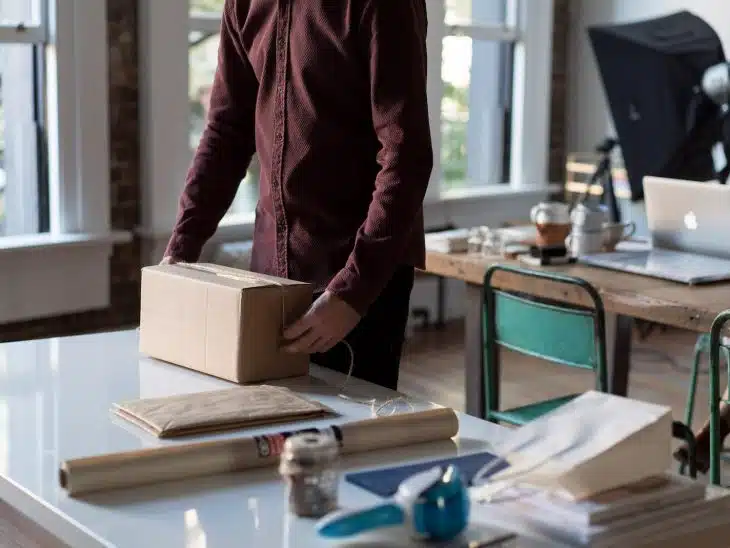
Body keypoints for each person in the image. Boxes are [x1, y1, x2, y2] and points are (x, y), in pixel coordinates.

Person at [161, 0, 433, 391]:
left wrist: (351, 294)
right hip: (268, 278)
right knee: (271, 438)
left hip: (357, 276)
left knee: (349, 443)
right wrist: (179, 252)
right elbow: (226, 133)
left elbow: (406, 156)